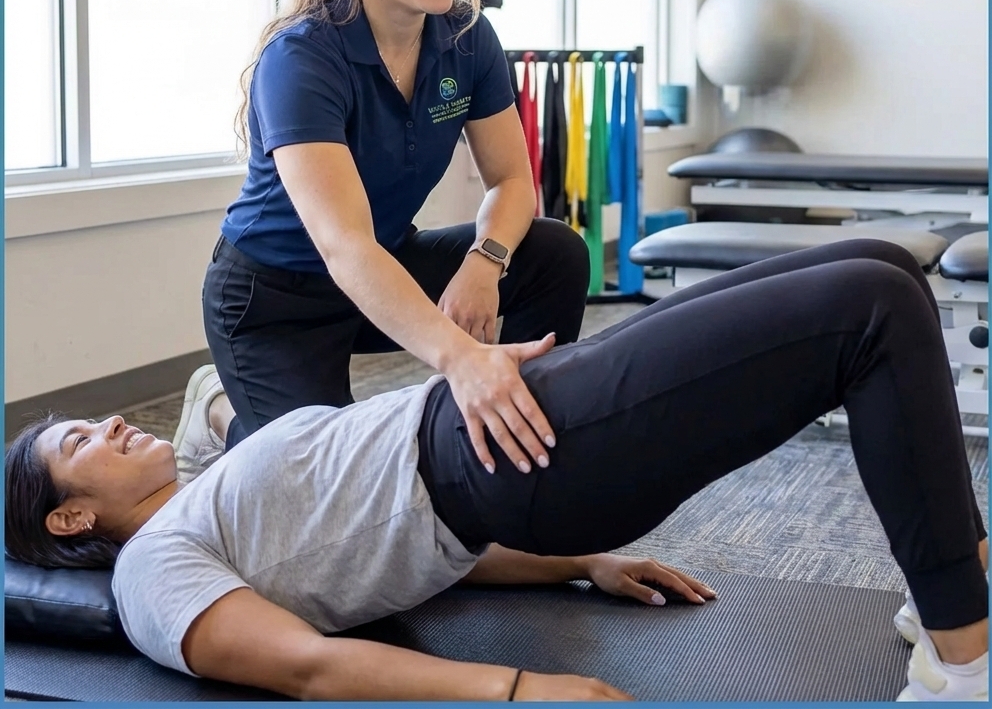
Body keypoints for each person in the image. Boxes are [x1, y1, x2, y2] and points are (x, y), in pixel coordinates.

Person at [6, 241, 988, 701]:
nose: (103, 422)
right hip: (509, 461)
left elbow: (374, 545)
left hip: (492, 423)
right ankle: (962, 664)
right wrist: (517, 689)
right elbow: (305, 663)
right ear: (66, 520)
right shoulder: (151, 574)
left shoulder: (207, 493)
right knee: (867, 307)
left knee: (882, 268)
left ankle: (937, 592)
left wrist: (581, 565)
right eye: (77, 443)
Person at [200, 0, 589, 479]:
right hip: (276, 300)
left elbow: (513, 182)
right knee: (331, 481)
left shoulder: (467, 36)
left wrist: (484, 263)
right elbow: (344, 246)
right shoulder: (303, 57)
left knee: (551, 252)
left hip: (386, 266)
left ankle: (518, 442)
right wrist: (462, 359)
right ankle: (221, 413)